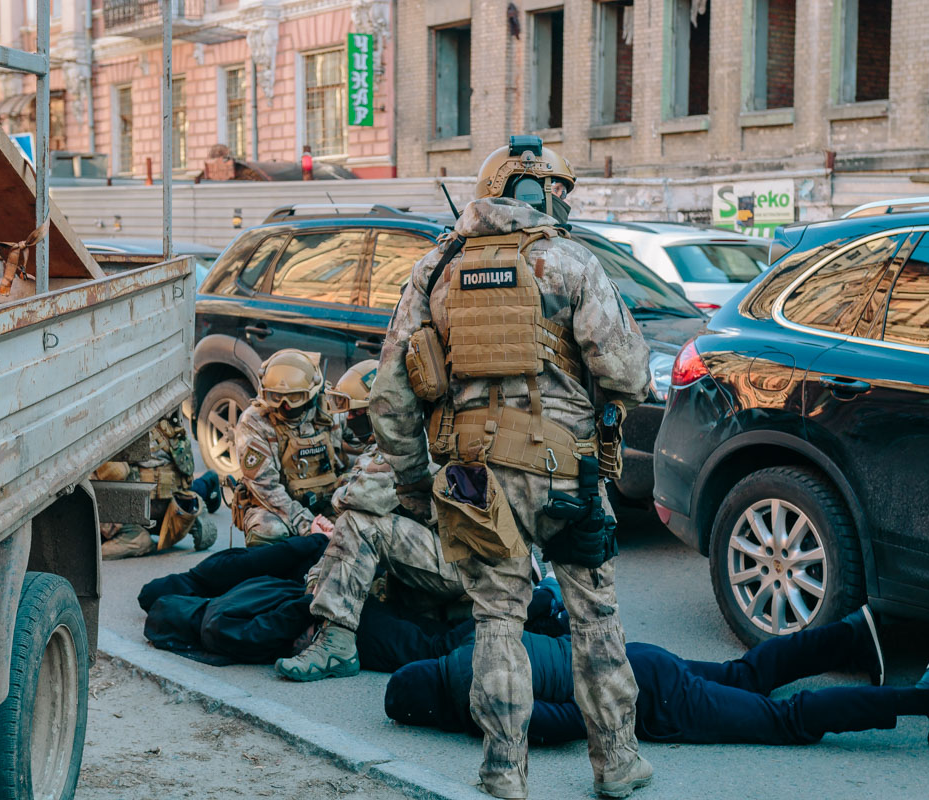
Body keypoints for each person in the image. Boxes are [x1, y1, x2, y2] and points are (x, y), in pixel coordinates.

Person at [369, 135, 653, 799]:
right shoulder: (571, 262)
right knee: (594, 619)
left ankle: (503, 772)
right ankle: (616, 764)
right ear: (534, 191)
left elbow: (389, 396)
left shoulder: (435, 271)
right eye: (559, 192)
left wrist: (412, 483)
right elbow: (629, 374)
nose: (563, 204)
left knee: (497, 621)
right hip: (568, 475)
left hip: (473, 480)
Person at [386, 606, 929, 751]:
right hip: (635, 657)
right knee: (743, 675)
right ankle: (851, 634)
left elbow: (575, 720)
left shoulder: (485, 702)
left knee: (785, 721)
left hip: (650, 698)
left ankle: (928, 698)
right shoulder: (473, 644)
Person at [274, 360, 467, 682]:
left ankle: (337, 647)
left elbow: (360, 500)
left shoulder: (408, 442)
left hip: (464, 566)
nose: (350, 420)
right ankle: (331, 631)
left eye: (357, 412)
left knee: (358, 523)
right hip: (446, 561)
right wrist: (316, 582)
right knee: (353, 529)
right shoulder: (411, 432)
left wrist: (341, 492)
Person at [230, 349, 346, 547]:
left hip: (327, 501)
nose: (286, 406)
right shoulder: (254, 421)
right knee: (269, 529)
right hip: (277, 508)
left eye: (295, 397)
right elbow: (266, 487)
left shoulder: (329, 411)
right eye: (276, 396)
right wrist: (307, 525)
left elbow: (360, 450)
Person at [99, 411, 220, 560]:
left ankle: (134, 534)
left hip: (144, 505)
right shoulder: (165, 423)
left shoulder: (123, 428)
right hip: (175, 501)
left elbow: (115, 474)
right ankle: (195, 506)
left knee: (97, 475)